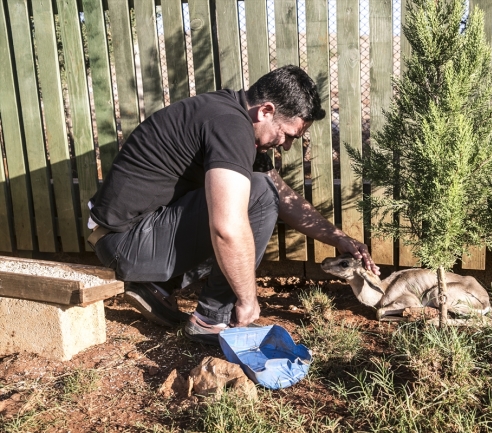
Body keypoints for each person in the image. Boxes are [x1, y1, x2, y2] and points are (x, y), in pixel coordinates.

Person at [87, 65, 379, 345]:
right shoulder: (230, 126)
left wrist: (338, 237)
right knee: (253, 200)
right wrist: (248, 299)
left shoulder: (234, 117)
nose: (287, 146)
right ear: (266, 111)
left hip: (129, 233)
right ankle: (210, 320)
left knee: (258, 192)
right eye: (288, 135)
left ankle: (158, 286)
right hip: (125, 243)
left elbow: (284, 196)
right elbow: (229, 227)